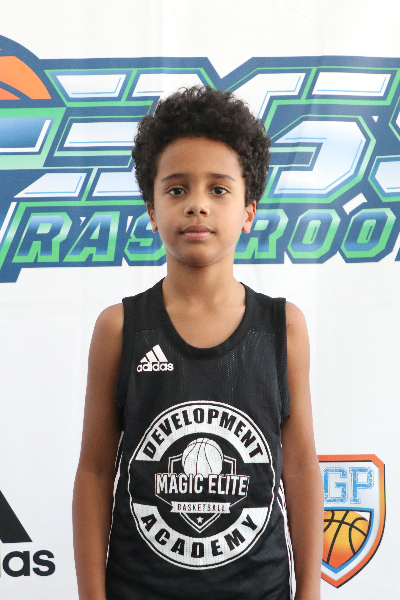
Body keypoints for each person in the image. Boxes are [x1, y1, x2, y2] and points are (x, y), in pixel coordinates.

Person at [73, 86, 323, 600]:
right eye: (177, 189)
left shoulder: (283, 327)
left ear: (249, 210)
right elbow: (94, 472)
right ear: (151, 209)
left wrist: (311, 590)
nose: (197, 205)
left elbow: (300, 466)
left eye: (219, 189)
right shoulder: (119, 328)